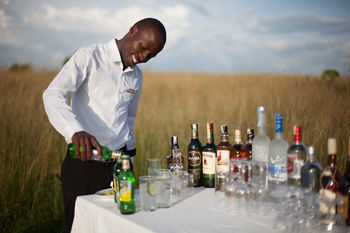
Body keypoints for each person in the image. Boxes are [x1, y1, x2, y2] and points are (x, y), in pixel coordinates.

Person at [43, 18, 166, 233]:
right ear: (133, 30)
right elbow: (53, 94)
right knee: (80, 226)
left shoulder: (137, 76)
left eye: (152, 55)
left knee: (117, 227)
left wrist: (130, 159)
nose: (145, 56)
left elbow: (129, 118)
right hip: (83, 166)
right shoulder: (89, 56)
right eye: (144, 47)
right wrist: (75, 131)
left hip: (119, 168)